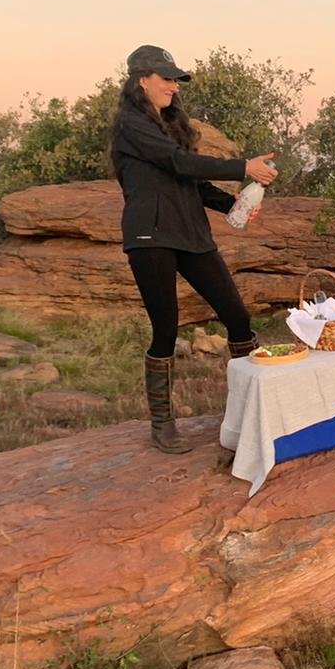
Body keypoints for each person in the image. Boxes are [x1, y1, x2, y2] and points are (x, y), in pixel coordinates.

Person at [111, 44, 279, 454]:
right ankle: (162, 423)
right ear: (141, 80)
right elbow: (177, 163)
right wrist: (242, 167)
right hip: (151, 236)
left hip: (190, 234)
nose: (173, 86)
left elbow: (190, 180)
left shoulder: (170, 124)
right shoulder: (130, 124)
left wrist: (233, 204)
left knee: (237, 318)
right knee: (166, 328)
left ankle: (250, 410)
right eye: (166, 78)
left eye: (175, 79)